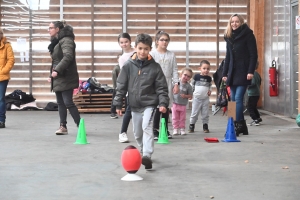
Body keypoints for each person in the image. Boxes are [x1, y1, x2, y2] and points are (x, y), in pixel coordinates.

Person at [113, 33, 169, 170]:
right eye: (140, 48)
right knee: (137, 133)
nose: (142, 52)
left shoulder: (155, 67)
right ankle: (144, 150)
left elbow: (162, 87)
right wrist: (118, 103)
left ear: (150, 49)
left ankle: (147, 155)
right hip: (134, 105)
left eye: (145, 49)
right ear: (135, 48)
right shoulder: (128, 66)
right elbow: (121, 85)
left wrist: (162, 103)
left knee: (147, 127)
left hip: (149, 104)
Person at [222, 14, 258, 136]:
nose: (234, 24)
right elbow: (228, 57)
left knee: (237, 99)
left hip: (244, 72)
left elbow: (253, 55)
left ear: (241, 22)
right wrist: (224, 73)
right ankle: (238, 125)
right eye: (232, 22)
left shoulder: (248, 35)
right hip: (232, 72)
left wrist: (250, 71)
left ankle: (236, 124)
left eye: (237, 22)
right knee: (232, 100)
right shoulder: (229, 37)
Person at [47, 20, 81, 135]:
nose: (49, 30)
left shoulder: (66, 40)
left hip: (66, 76)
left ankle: (80, 125)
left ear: (57, 29)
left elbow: (68, 56)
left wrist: (57, 70)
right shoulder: (57, 41)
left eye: (51, 28)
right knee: (61, 102)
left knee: (68, 102)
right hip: (58, 76)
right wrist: (50, 76)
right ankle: (63, 126)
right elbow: (55, 61)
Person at [150, 30, 179, 140]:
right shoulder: (152, 54)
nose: (164, 42)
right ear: (157, 41)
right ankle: (155, 130)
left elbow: (175, 70)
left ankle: (165, 129)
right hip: (155, 83)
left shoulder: (171, 55)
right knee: (158, 106)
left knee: (166, 107)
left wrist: (176, 84)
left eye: (166, 40)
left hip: (167, 82)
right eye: (162, 40)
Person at [117, 33, 135, 143]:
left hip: (144, 86)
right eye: (121, 42)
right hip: (131, 87)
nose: (124, 44)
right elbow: (124, 74)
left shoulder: (138, 51)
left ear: (130, 41)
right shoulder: (122, 58)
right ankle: (122, 133)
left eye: (126, 41)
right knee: (129, 110)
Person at [188, 60, 212, 133]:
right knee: (194, 112)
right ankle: (192, 125)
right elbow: (192, 85)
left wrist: (210, 91)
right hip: (196, 98)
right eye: (204, 68)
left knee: (205, 113)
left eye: (208, 69)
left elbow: (210, 86)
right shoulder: (196, 76)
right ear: (200, 68)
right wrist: (191, 93)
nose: (206, 70)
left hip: (205, 99)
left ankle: (205, 125)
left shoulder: (209, 78)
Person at [0, 28, 15, 128]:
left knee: (0, 99)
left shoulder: (7, 45)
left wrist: (2, 72)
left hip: (2, 77)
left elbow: (11, 60)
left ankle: (1, 120)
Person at [172, 68, 193, 136]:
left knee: (182, 118)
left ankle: (182, 129)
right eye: (185, 75)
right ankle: (175, 128)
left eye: (188, 76)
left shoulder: (189, 86)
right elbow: (171, 89)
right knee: (175, 117)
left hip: (183, 104)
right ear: (181, 74)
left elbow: (190, 96)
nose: (186, 77)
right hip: (175, 103)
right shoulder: (176, 83)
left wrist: (185, 96)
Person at [247, 61, 262, 126]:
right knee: (254, 107)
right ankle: (258, 117)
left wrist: (246, 86)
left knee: (249, 107)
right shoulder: (257, 74)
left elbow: (252, 83)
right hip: (257, 92)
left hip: (252, 93)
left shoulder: (252, 74)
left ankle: (255, 119)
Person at [110, 54, 121, 119]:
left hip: (126, 87)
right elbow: (114, 78)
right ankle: (112, 112)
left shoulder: (126, 66)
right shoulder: (117, 68)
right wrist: (115, 87)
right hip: (117, 87)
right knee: (115, 99)